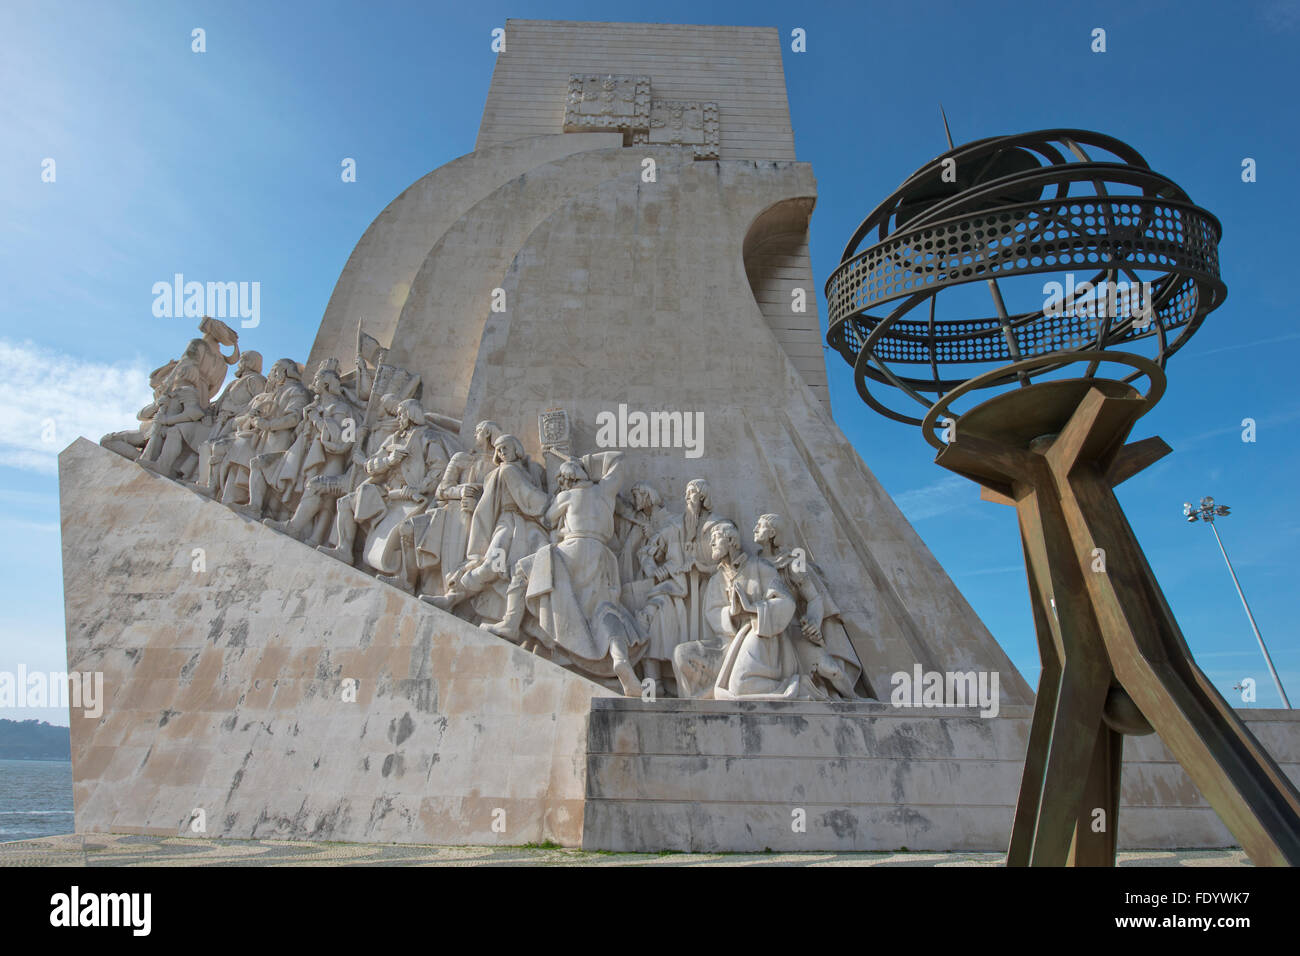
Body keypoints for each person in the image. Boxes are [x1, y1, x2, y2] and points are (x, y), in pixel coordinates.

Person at [481, 452, 646, 696]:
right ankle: (619, 658)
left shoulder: (566, 496)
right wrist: (588, 461)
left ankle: (510, 624)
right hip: (601, 557)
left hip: (572, 550)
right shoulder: (605, 492)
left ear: (566, 481)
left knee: (522, 570)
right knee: (606, 611)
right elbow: (619, 460)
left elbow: (547, 518)